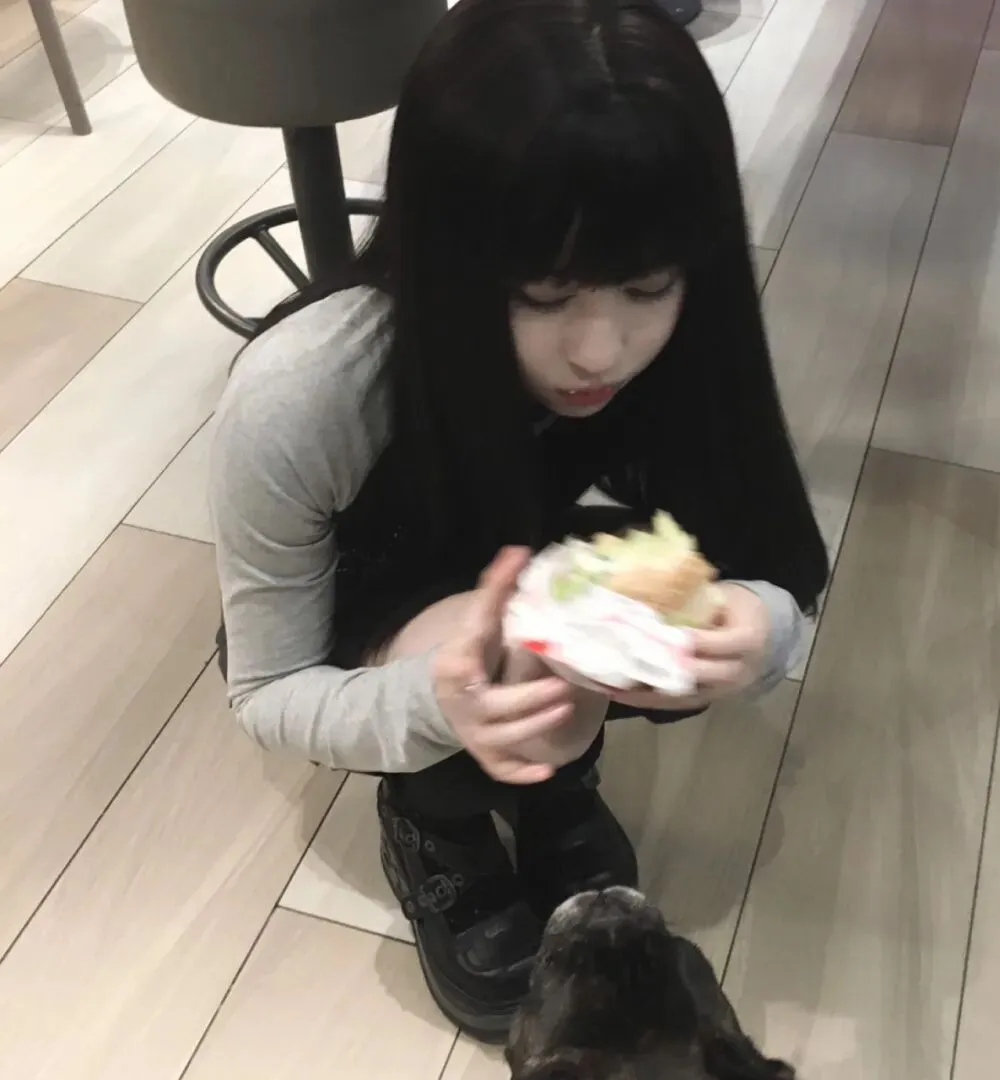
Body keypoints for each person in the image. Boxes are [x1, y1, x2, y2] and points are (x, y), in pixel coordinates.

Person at [209, 0, 828, 1042]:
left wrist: (756, 631)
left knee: (584, 615)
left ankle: (550, 786)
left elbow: (778, 568)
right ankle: (436, 819)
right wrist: (436, 709)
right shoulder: (307, 396)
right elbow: (267, 689)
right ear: (446, 252)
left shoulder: (691, 347)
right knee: (498, 652)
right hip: (380, 614)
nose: (601, 350)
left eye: (647, 283)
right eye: (543, 294)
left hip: (538, 570)